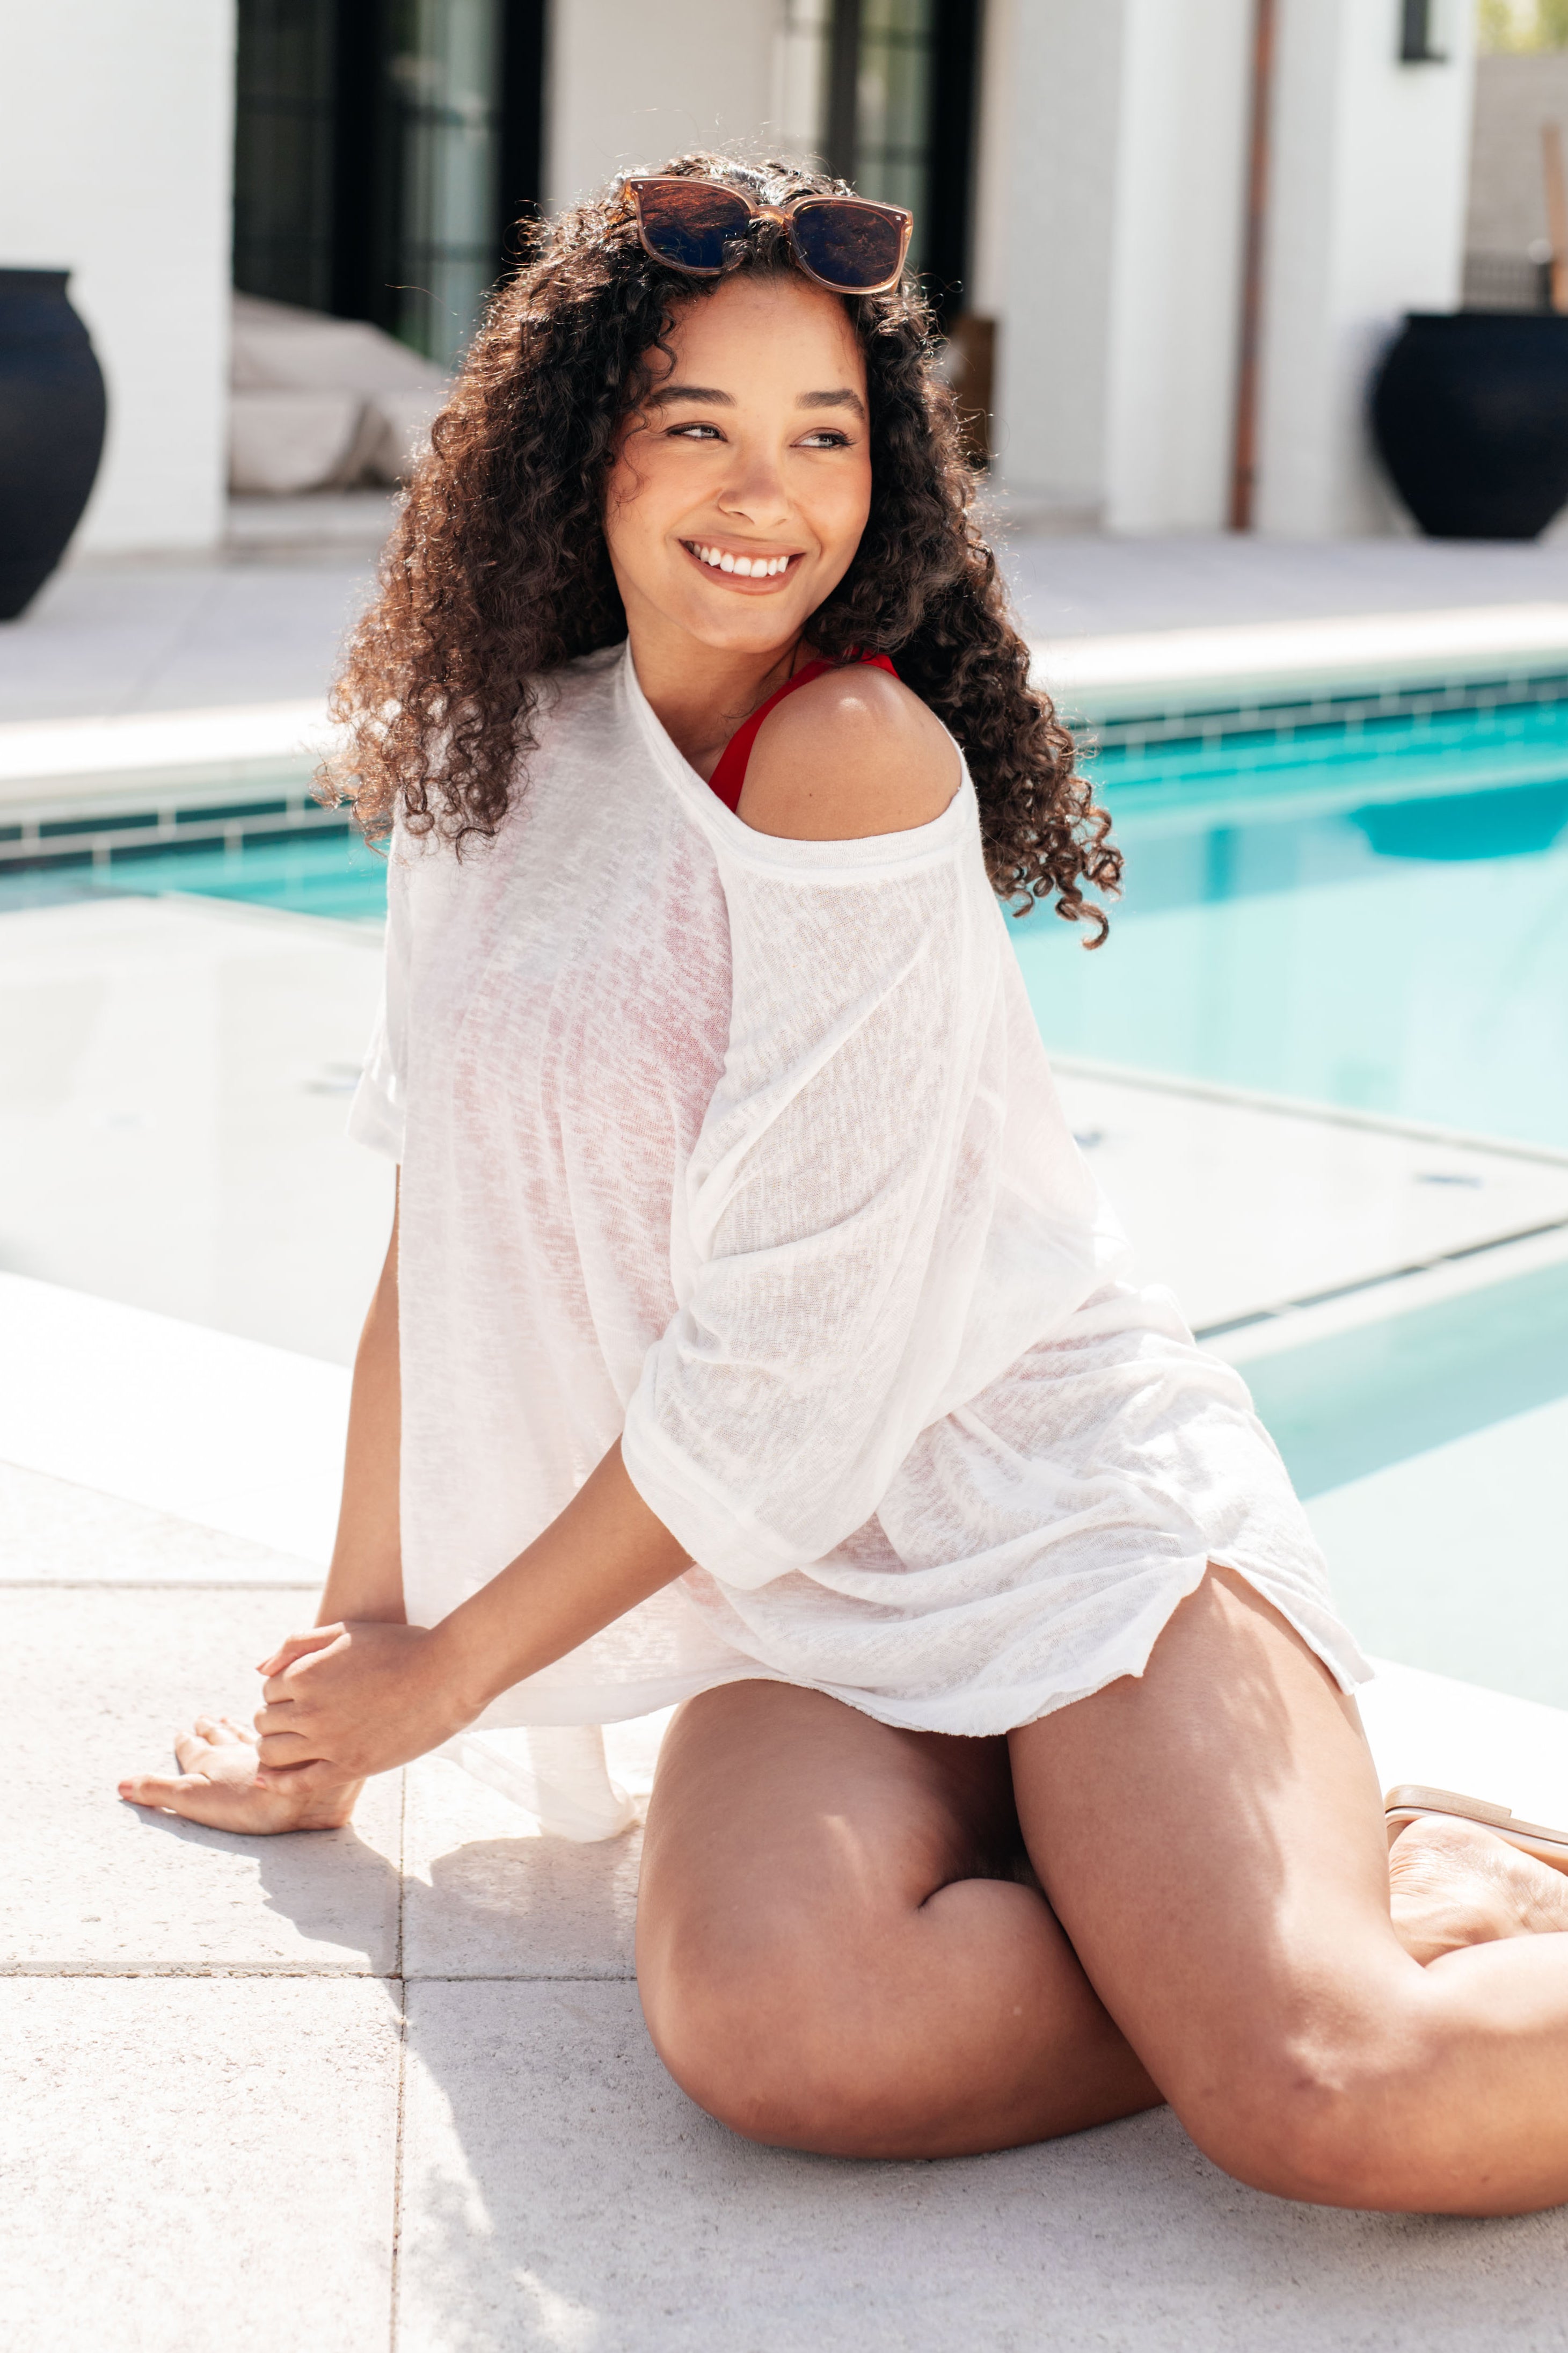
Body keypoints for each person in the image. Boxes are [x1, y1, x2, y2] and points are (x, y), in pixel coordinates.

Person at [120, 157, 1568, 2210]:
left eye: (825, 436)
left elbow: (778, 1382)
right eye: (697, 424)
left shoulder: (850, 758)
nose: (767, 494)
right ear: (579, 452)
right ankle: (1313, 1892)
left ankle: (1315, 1918)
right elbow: (439, 1239)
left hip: (1048, 1518)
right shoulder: (496, 755)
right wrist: (343, 1667)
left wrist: (450, 1677)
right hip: (787, 1594)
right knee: (785, 2035)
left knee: (1330, 2090)